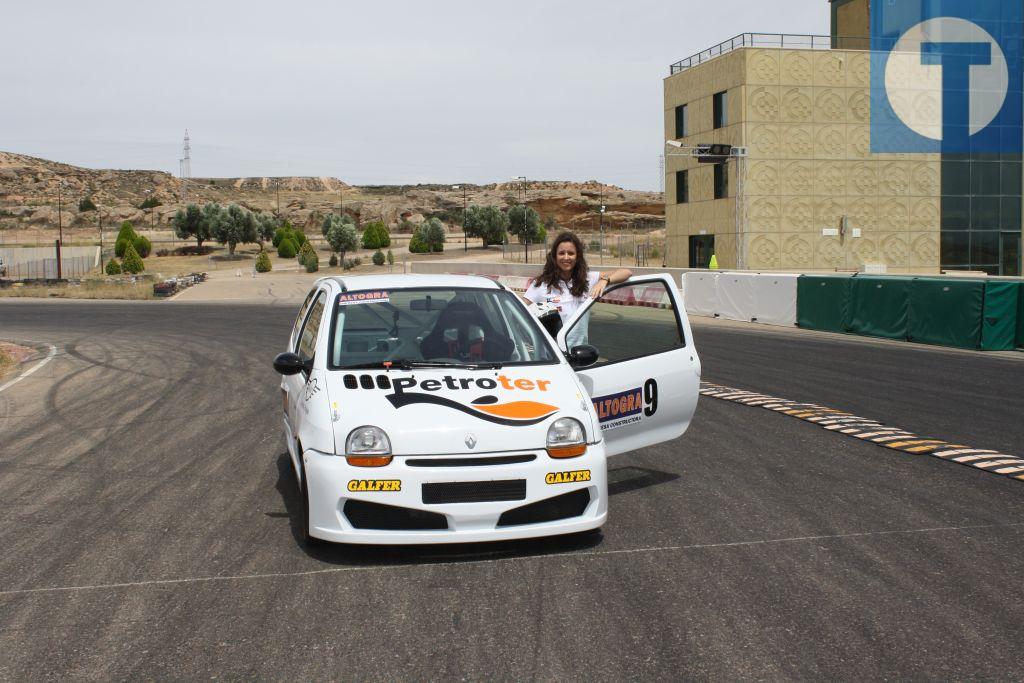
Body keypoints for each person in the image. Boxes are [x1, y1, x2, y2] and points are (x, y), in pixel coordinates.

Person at [524, 231, 631, 346]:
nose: (566, 257)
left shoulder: (588, 279)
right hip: (553, 355)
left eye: (571, 253)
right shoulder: (542, 284)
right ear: (554, 256)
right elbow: (518, 311)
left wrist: (604, 280)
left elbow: (626, 272)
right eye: (561, 253)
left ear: (577, 256)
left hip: (580, 355)